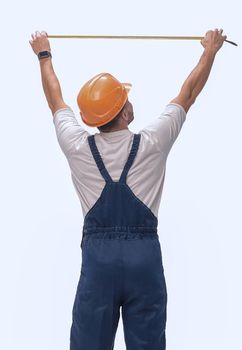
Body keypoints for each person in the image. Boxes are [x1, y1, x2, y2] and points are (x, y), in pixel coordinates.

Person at [29, 28, 227, 350]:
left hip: (98, 263)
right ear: (125, 112)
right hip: (144, 260)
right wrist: (210, 50)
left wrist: (44, 55)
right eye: (126, 98)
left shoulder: (76, 146)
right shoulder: (153, 142)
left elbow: (56, 101)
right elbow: (188, 93)